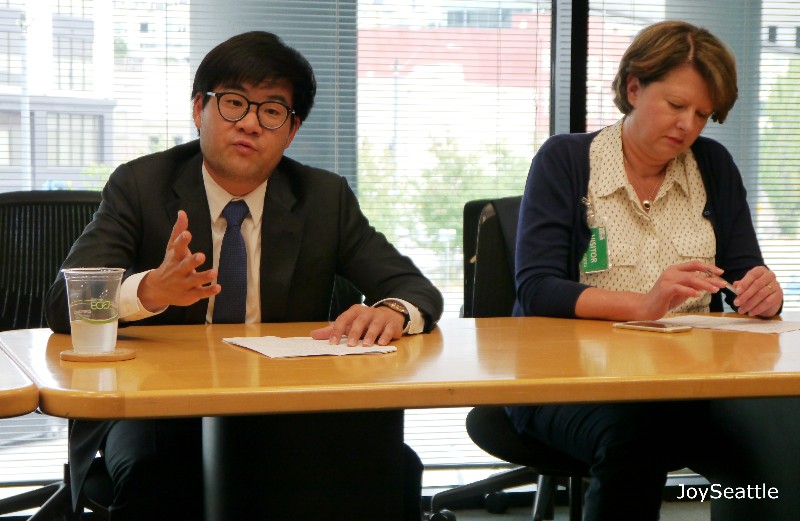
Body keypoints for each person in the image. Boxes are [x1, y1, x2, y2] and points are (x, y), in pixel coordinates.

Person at [45, 31, 443, 521]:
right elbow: (64, 304)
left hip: (284, 401)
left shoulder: (323, 197)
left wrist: (392, 311)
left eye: (271, 111)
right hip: (159, 403)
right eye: (234, 103)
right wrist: (147, 291)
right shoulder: (141, 185)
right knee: (159, 476)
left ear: (291, 131)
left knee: (386, 465)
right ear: (199, 109)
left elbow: (414, 288)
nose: (250, 124)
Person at [506, 20, 784, 521]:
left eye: (702, 114)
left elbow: (744, 275)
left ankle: (745, 501)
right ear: (634, 88)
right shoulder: (566, 161)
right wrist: (644, 305)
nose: (688, 126)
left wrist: (765, 294)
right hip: (572, 380)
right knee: (635, 441)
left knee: (779, 435)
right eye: (676, 105)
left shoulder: (713, 166)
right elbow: (538, 289)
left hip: (689, 380)